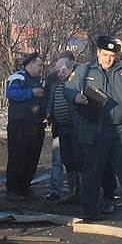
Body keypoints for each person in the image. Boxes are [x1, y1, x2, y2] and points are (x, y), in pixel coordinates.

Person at [63, 35, 122, 222]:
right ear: (98, 53)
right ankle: (91, 209)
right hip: (95, 129)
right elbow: (68, 87)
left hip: (120, 129)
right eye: (105, 55)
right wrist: (75, 97)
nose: (108, 59)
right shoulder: (84, 70)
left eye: (112, 55)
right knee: (93, 170)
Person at [5, 52, 46, 201]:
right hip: (20, 124)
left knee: (31, 158)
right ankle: (13, 189)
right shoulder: (18, 77)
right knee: (18, 156)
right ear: (30, 64)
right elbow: (11, 93)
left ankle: (25, 187)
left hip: (35, 125)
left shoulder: (37, 81)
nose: (42, 68)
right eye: (40, 65)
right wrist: (31, 92)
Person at [45, 52, 79, 202]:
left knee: (79, 160)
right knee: (65, 159)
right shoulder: (54, 80)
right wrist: (48, 113)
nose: (60, 72)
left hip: (76, 127)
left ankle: (82, 192)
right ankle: (72, 192)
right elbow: (50, 99)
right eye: (58, 70)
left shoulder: (78, 80)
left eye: (63, 69)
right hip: (60, 128)